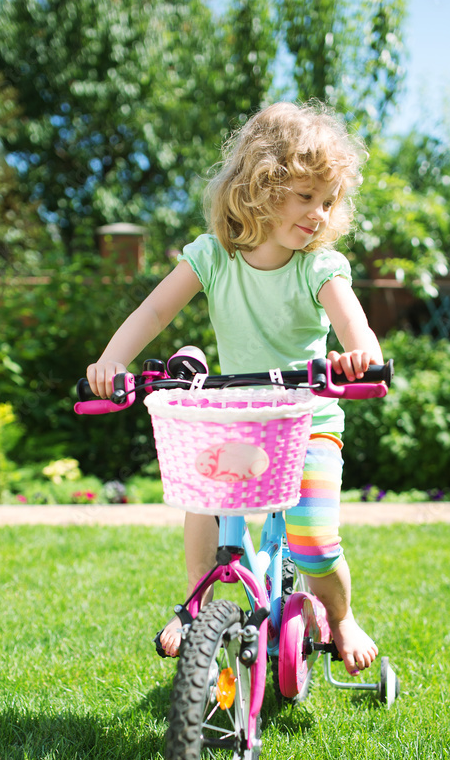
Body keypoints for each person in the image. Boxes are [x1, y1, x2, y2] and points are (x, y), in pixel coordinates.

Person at [87, 100, 382, 675]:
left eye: (328, 201)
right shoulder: (213, 256)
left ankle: (342, 617)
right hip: (242, 419)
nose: (318, 213)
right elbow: (154, 312)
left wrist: (361, 354)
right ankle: (195, 606)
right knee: (202, 493)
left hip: (308, 421)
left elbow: (352, 322)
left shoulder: (318, 266)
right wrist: (112, 361)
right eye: (305, 196)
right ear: (261, 187)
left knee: (314, 542)